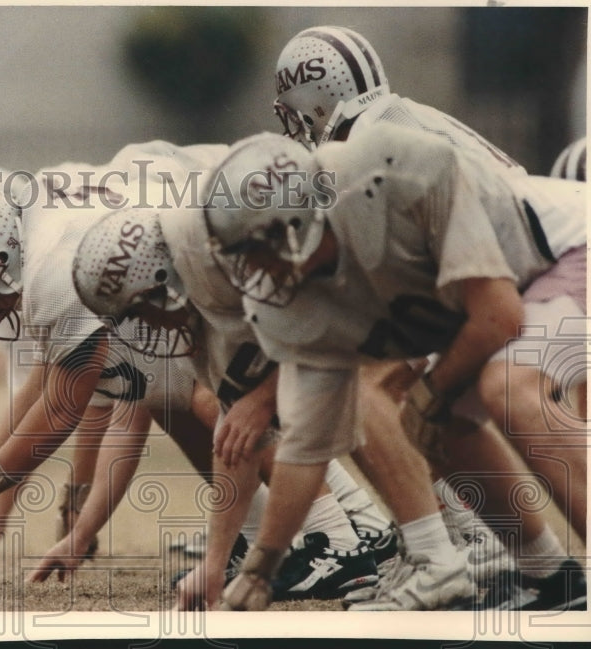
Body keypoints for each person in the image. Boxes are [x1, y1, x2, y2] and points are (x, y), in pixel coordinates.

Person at [0, 143, 385, 605]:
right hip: (220, 223)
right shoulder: (48, 216)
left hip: (249, 237)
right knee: (178, 392)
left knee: (223, 398)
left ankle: (343, 535)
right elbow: (113, 398)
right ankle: (298, 531)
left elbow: (64, 405)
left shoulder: (52, 269)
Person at [205, 124, 586, 611]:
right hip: (523, 287)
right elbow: (306, 446)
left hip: (570, 247)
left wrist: (435, 387)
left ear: (291, 225)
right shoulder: (307, 294)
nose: (251, 273)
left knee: (509, 388)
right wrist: (262, 567)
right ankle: (554, 578)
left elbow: (499, 316)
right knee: (431, 421)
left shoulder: (391, 177)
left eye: (252, 251)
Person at [70, 203, 399, 608]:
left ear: (162, 284)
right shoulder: (199, 305)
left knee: (370, 393)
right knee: (271, 413)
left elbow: (331, 331)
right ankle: (375, 539)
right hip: (363, 305)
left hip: (400, 284)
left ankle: (440, 549)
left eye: (140, 311)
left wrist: (259, 400)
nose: (144, 328)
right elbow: (238, 434)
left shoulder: (228, 272)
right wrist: (215, 563)